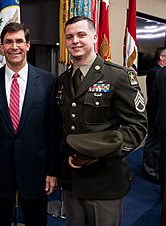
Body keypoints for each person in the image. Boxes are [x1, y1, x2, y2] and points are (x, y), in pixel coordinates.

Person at [57, 16, 147, 226]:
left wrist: (98, 153)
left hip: (104, 180)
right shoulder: (62, 81)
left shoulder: (118, 76)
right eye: (69, 37)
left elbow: (137, 127)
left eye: (81, 35)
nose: (75, 41)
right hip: (72, 180)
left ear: (95, 37)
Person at [0, 22, 61, 226]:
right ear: (1, 46)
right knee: (0, 221)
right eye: (8, 42)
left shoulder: (48, 81)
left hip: (36, 170)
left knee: (36, 221)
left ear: (28, 45)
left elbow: (52, 129)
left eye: (19, 41)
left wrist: (52, 171)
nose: (14, 46)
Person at [143, 47, 166, 183]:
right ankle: (149, 169)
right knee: (153, 143)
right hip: (155, 113)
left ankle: (155, 166)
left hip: (159, 113)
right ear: (162, 57)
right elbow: (154, 97)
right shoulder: (155, 72)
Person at [150, 67, 166, 225]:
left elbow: (153, 100)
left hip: (162, 122)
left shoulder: (160, 73)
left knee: (163, 158)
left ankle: (163, 192)